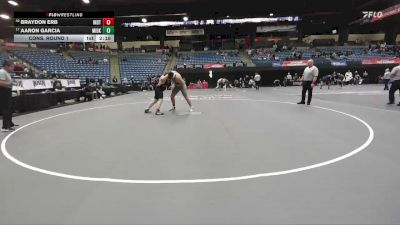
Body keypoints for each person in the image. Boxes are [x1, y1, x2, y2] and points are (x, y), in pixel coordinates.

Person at [0, 60, 16, 132]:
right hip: (3, 92)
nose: (13, 68)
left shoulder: (7, 72)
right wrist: (11, 83)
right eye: (12, 66)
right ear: (7, 66)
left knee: (9, 109)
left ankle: (9, 124)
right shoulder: (2, 72)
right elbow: (1, 82)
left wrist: (11, 83)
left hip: (7, 91)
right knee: (6, 109)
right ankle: (5, 127)